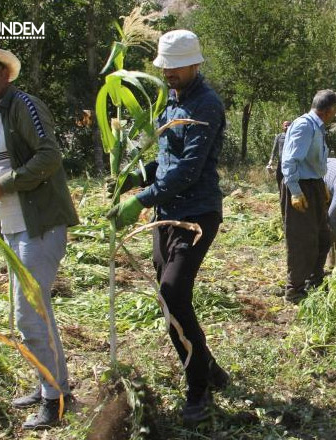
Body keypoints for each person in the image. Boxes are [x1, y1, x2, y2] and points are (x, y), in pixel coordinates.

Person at [0, 39, 80, 430]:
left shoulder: (23, 105)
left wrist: (3, 185)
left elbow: (49, 156)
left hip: (38, 227)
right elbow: (11, 169)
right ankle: (52, 388)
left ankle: (54, 401)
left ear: (5, 73)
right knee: (36, 315)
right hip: (15, 226)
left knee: (29, 318)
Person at [105, 29, 229, 425]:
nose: (170, 73)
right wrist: (130, 179)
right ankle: (209, 369)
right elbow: (164, 161)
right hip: (165, 214)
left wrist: (140, 201)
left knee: (173, 292)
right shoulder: (169, 105)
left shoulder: (206, 105)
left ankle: (198, 389)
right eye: (166, 67)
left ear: (194, 64)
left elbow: (189, 170)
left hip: (195, 215)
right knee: (168, 300)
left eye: (177, 67)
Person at [280, 90, 336, 304]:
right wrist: (295, 192)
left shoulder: (316, 126)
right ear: (329, 110)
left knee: (322, 237)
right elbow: (289, 161)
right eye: (335, 110)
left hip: (313, 184)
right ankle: (294, 289)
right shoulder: (304, 125)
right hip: (300, 186)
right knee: (301, 240)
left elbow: (312, 161)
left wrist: (321, 183)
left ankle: (313, 282)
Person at [265, 120, 292, 188]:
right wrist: (271, 160)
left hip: (291, 163)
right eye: (286, 125)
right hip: (281, 162)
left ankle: (290, 195)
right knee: (279, 178)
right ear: (282, 127)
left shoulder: (294, 136)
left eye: (289, 125)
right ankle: (281, 194)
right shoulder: (279, 136)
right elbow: (274, 149)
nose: (287, 127)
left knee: (290, 180)